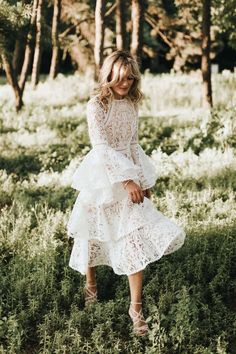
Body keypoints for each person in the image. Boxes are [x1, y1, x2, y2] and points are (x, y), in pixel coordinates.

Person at [67, 50, 186, 336]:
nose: (127, 83)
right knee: (94, 232)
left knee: (133, 238)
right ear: (109, 75)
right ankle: (91, 287)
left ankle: (135, 309)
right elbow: (101, 147)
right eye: (122, 78)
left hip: (129, 174)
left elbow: (132, 144)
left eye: (131, 78)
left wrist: (142, 179)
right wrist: (125, 182)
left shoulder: (132, 104)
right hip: (103, 176)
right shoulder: (96, 105)